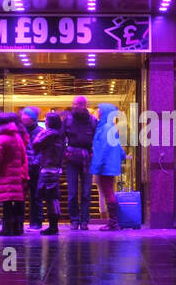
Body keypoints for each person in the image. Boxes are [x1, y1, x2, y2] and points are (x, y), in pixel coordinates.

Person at [0, 112, 29, 235]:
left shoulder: (1, 138)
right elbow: (24, 157)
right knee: (18, 201)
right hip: (18, 173)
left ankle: (7, 228)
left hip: (5, 174)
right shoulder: (17, 136)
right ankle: (18, 228)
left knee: (7, 202)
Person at [63, 97, 96, 230]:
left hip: (87, 158)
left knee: (86, 192)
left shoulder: (93, 120)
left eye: (75, 104)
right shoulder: (68, 120)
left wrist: (93, 152)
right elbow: (61, 137)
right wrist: (65, 152)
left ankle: (84, 221)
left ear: (83, 105)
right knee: (72, 192)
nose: (73, 106)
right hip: (72, 159)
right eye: (73, 103)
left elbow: (96, 138)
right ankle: (74, 220)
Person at [91, 102, 124, 231]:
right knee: (109, 192)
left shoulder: (105, 128)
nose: (98, 111)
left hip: (105, 166)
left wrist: (97, 165)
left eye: (100, 109)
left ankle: (113, 222)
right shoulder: (111, 127)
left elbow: (103, 149)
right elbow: (120, 149)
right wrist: (120, 157)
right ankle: (113, 222)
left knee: (108, 193)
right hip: (110, 164)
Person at [32, 112, 66, 235]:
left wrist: (41, 132)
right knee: (53, 197)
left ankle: (53, 227)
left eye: (46, 120)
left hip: (48, 168)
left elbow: (35, 144)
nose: (45, 122)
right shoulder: (60, 135)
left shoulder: (50, 134)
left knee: (49, 197)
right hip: (55, 168)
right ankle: (54, 225)